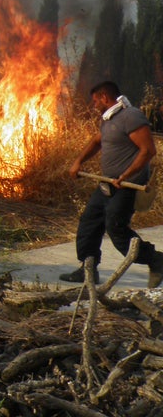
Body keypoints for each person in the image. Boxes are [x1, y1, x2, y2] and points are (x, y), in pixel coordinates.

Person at [60, 80, 163, 287]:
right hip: (109, 184)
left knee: (116, 228)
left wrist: (125, 175)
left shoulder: (131, 117)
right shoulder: (109, 119)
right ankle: (87, 270)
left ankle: (156, 260)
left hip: (127, 185)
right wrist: (78, 161)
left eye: (95, 100)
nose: (93, 105)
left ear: (104, 97)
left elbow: (148, 150)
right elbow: (97, 141)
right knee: (90, 221)